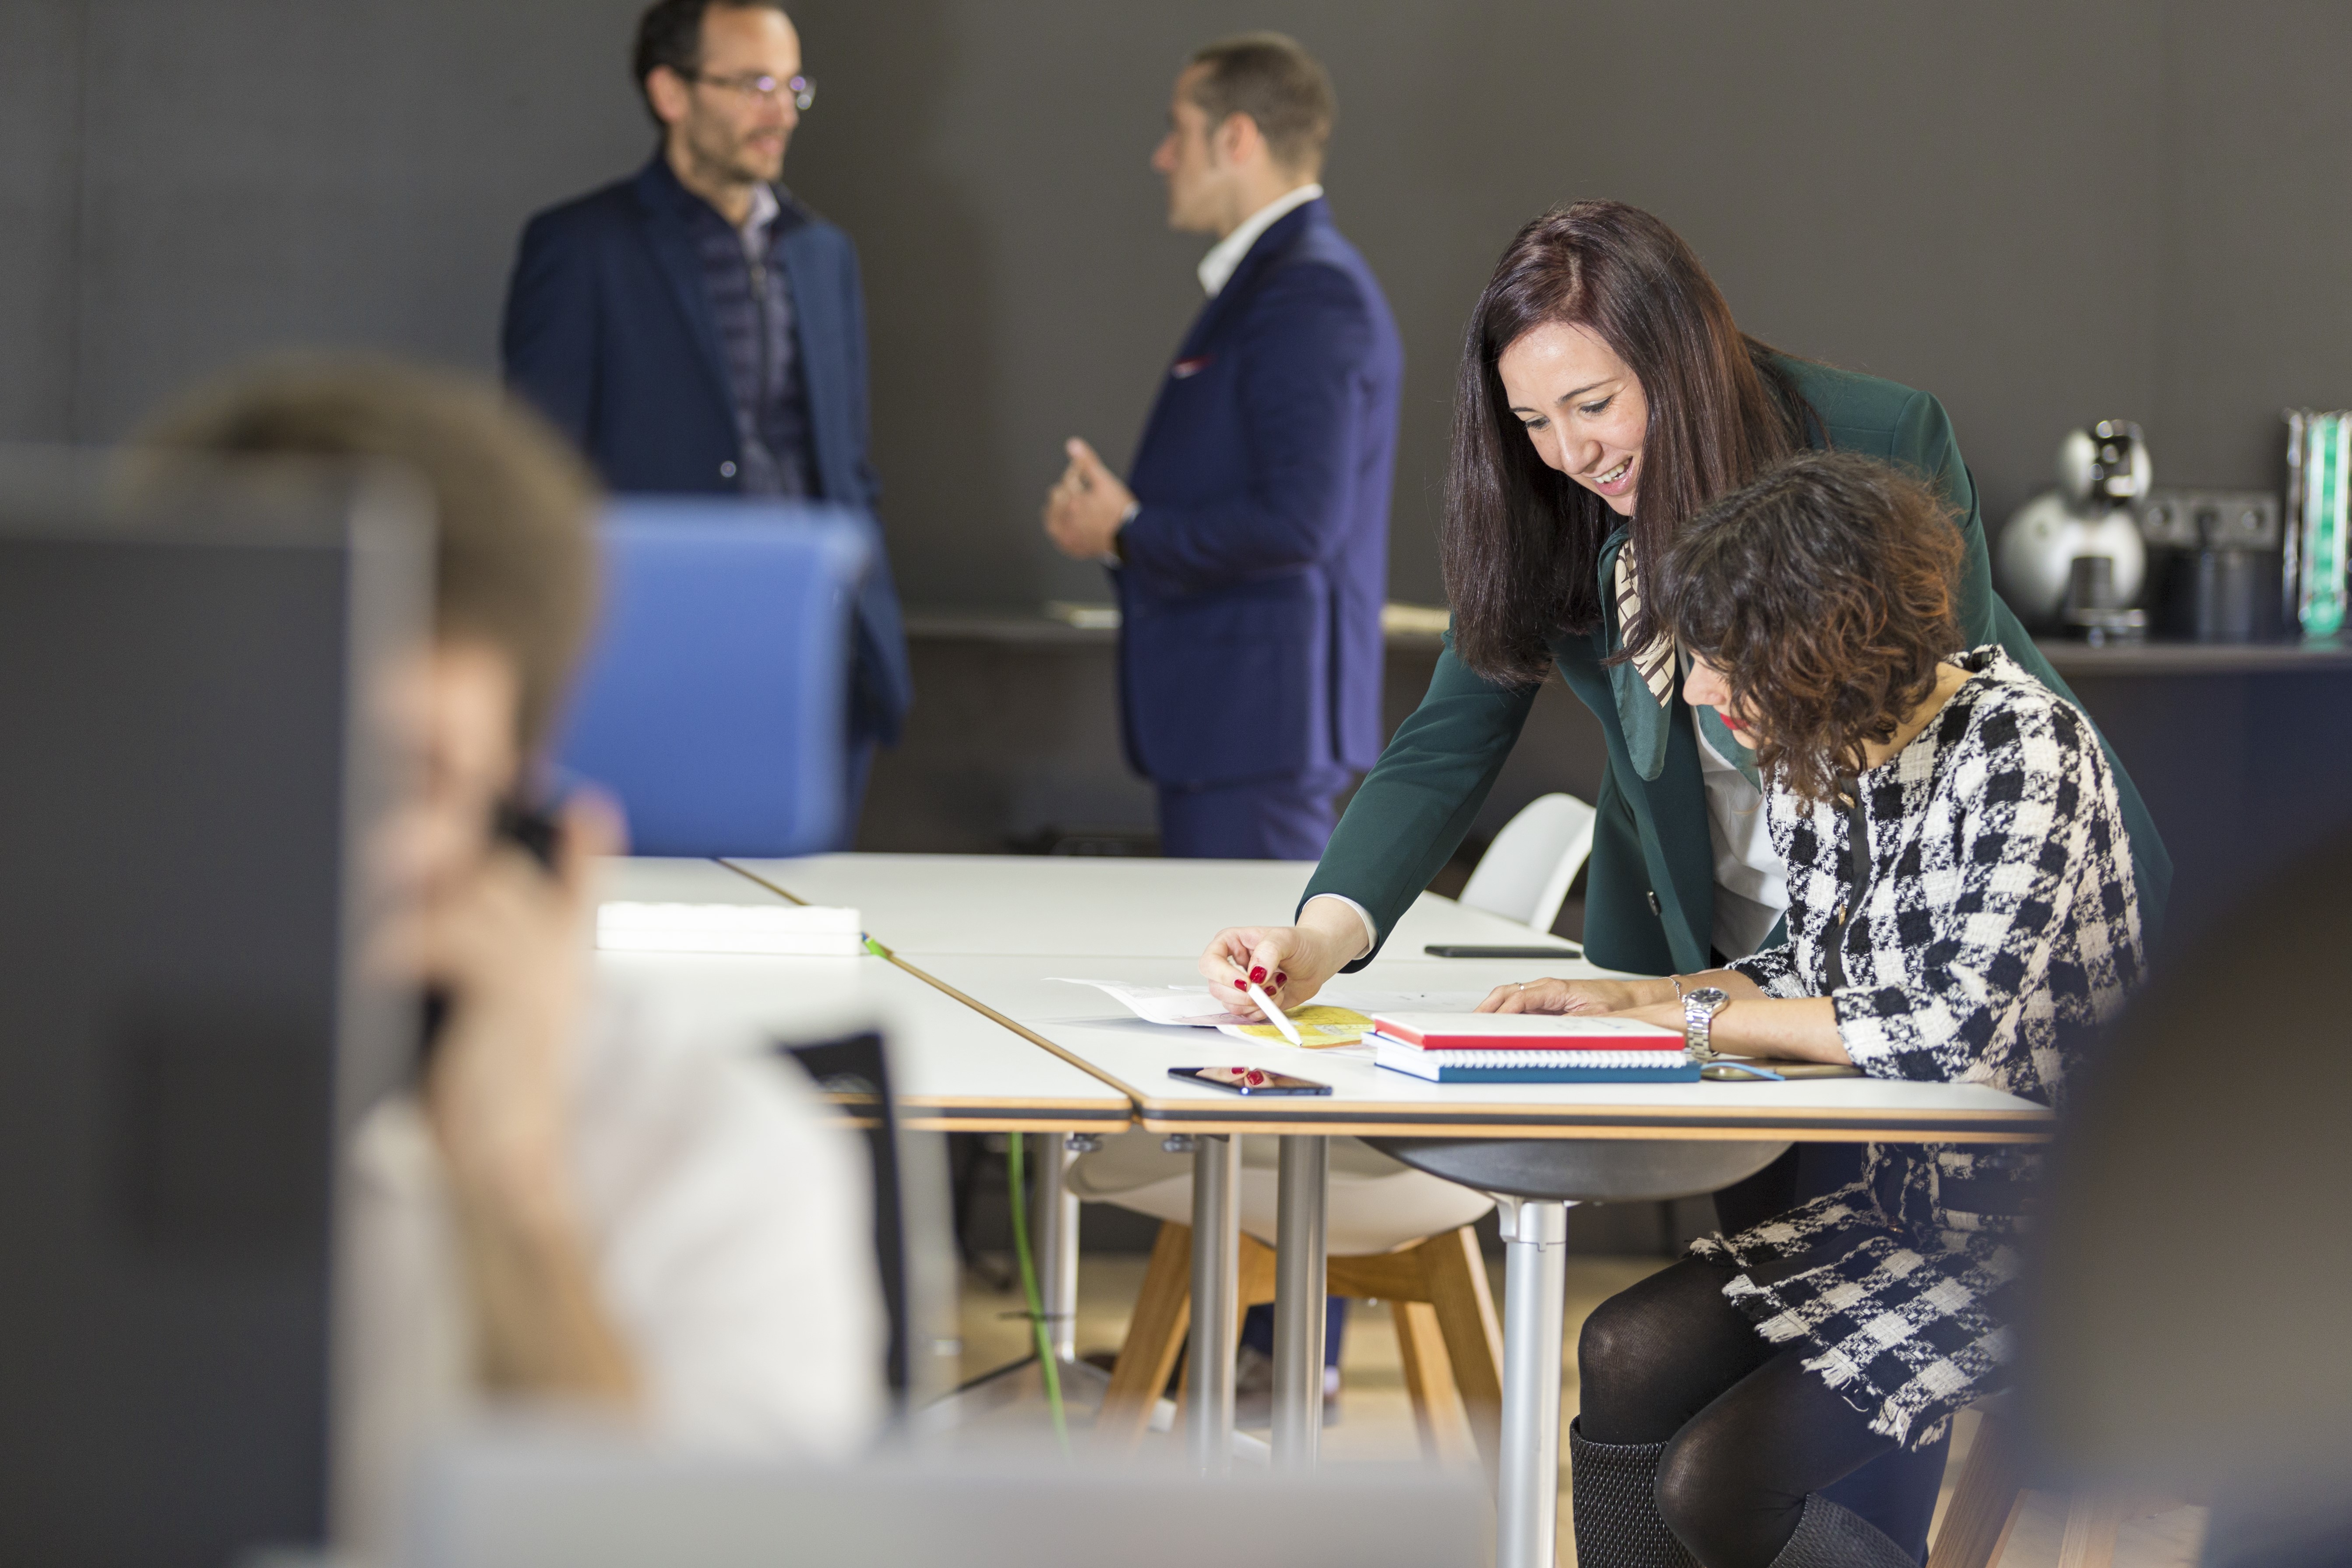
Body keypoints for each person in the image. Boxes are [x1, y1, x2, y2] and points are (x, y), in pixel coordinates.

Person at [1194, 201, 2172, 1550]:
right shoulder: (1583, 533)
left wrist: (1685, 1012)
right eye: (1531, 423)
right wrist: (1332, 932)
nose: (1568, 451)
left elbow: (1926, 796)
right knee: (1643, 1358)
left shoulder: (1895, 531)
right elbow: (1450, 736)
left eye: (1592, 405)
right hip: (1774, 960)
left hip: (1985, 1082)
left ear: (1675, 355)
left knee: (1767, 1464)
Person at [136, 359, 887, 1557]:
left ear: (531, 831)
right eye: (252, 743)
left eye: (400, 776)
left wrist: (514, 1193)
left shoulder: (716, 1161)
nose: (304, 831)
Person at [1529, 451, 2144, 1565]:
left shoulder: (2022, 749)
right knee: (1621, 1348)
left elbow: (1943, 1032)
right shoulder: (1817, 751)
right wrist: (1634, 999)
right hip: (1906, 1215)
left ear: (1822, 647)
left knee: (1712, 1483)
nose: (1703, 692)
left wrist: (1693, 1025)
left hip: (2055, 1240)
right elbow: (1808, 965)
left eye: (1722, 662)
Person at [501, 0, 910, 841]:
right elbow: (539, 477)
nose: (781, 109)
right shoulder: (581, 248)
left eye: (792, 84)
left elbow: (846, 466)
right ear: (670, 92)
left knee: (803, 931)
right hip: (655, 660)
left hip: (822, 661)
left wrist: (877, 644)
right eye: (754, 84)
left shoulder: (823, 253)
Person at [1044, 31, 1403, 862]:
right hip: (1240, 730)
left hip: (1261, 733)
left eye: (1179, 130)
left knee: (1255, 990)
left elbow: (1300, 522)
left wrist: (1126, 528)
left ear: (1235, 138)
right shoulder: (1282, 283)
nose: (1162, 156)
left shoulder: (1310, 291)